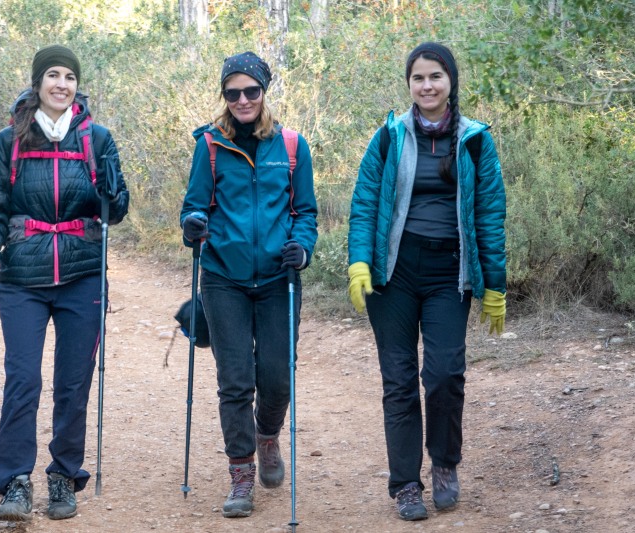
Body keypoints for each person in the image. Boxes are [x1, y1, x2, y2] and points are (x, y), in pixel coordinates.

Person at [0, 44, 129, 522]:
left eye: (69, 77)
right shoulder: (9, 141)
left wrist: (112, 194)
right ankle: (15, 480)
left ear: (77, 86)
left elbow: (116, 212)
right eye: (52, 75)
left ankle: (63, 475)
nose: (61, 84)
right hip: (23, 279)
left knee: (73, 383)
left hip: (82, 276)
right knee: (23, 379)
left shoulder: (97, 140)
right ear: (37, 83)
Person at [347, 42, 507, 521]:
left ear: (450, 81)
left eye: (435, 76)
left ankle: (444, 464)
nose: (427, 85)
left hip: (448, 273)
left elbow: (491, 215)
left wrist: (494, 285)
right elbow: (364, 205)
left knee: (443, 375)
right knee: (398, 382)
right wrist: (359, 262)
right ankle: (406, 486)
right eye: (418, 78)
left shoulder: (475, 140)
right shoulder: (388, 137)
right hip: (394, 273)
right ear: (409, 85)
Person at [180, 51, 318, 518]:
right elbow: (193, 206)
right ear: (225, 95)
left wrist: (302, 245)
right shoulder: (211, 146)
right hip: (223, 279)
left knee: (277, 376)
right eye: (233, 92)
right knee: (235, 381)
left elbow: (306, 213)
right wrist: (193, 225)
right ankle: (241, 473)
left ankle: (268, 437)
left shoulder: (293, 146)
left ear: (264, 92)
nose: (242, 99)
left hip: (280, 277)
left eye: (251, 91)